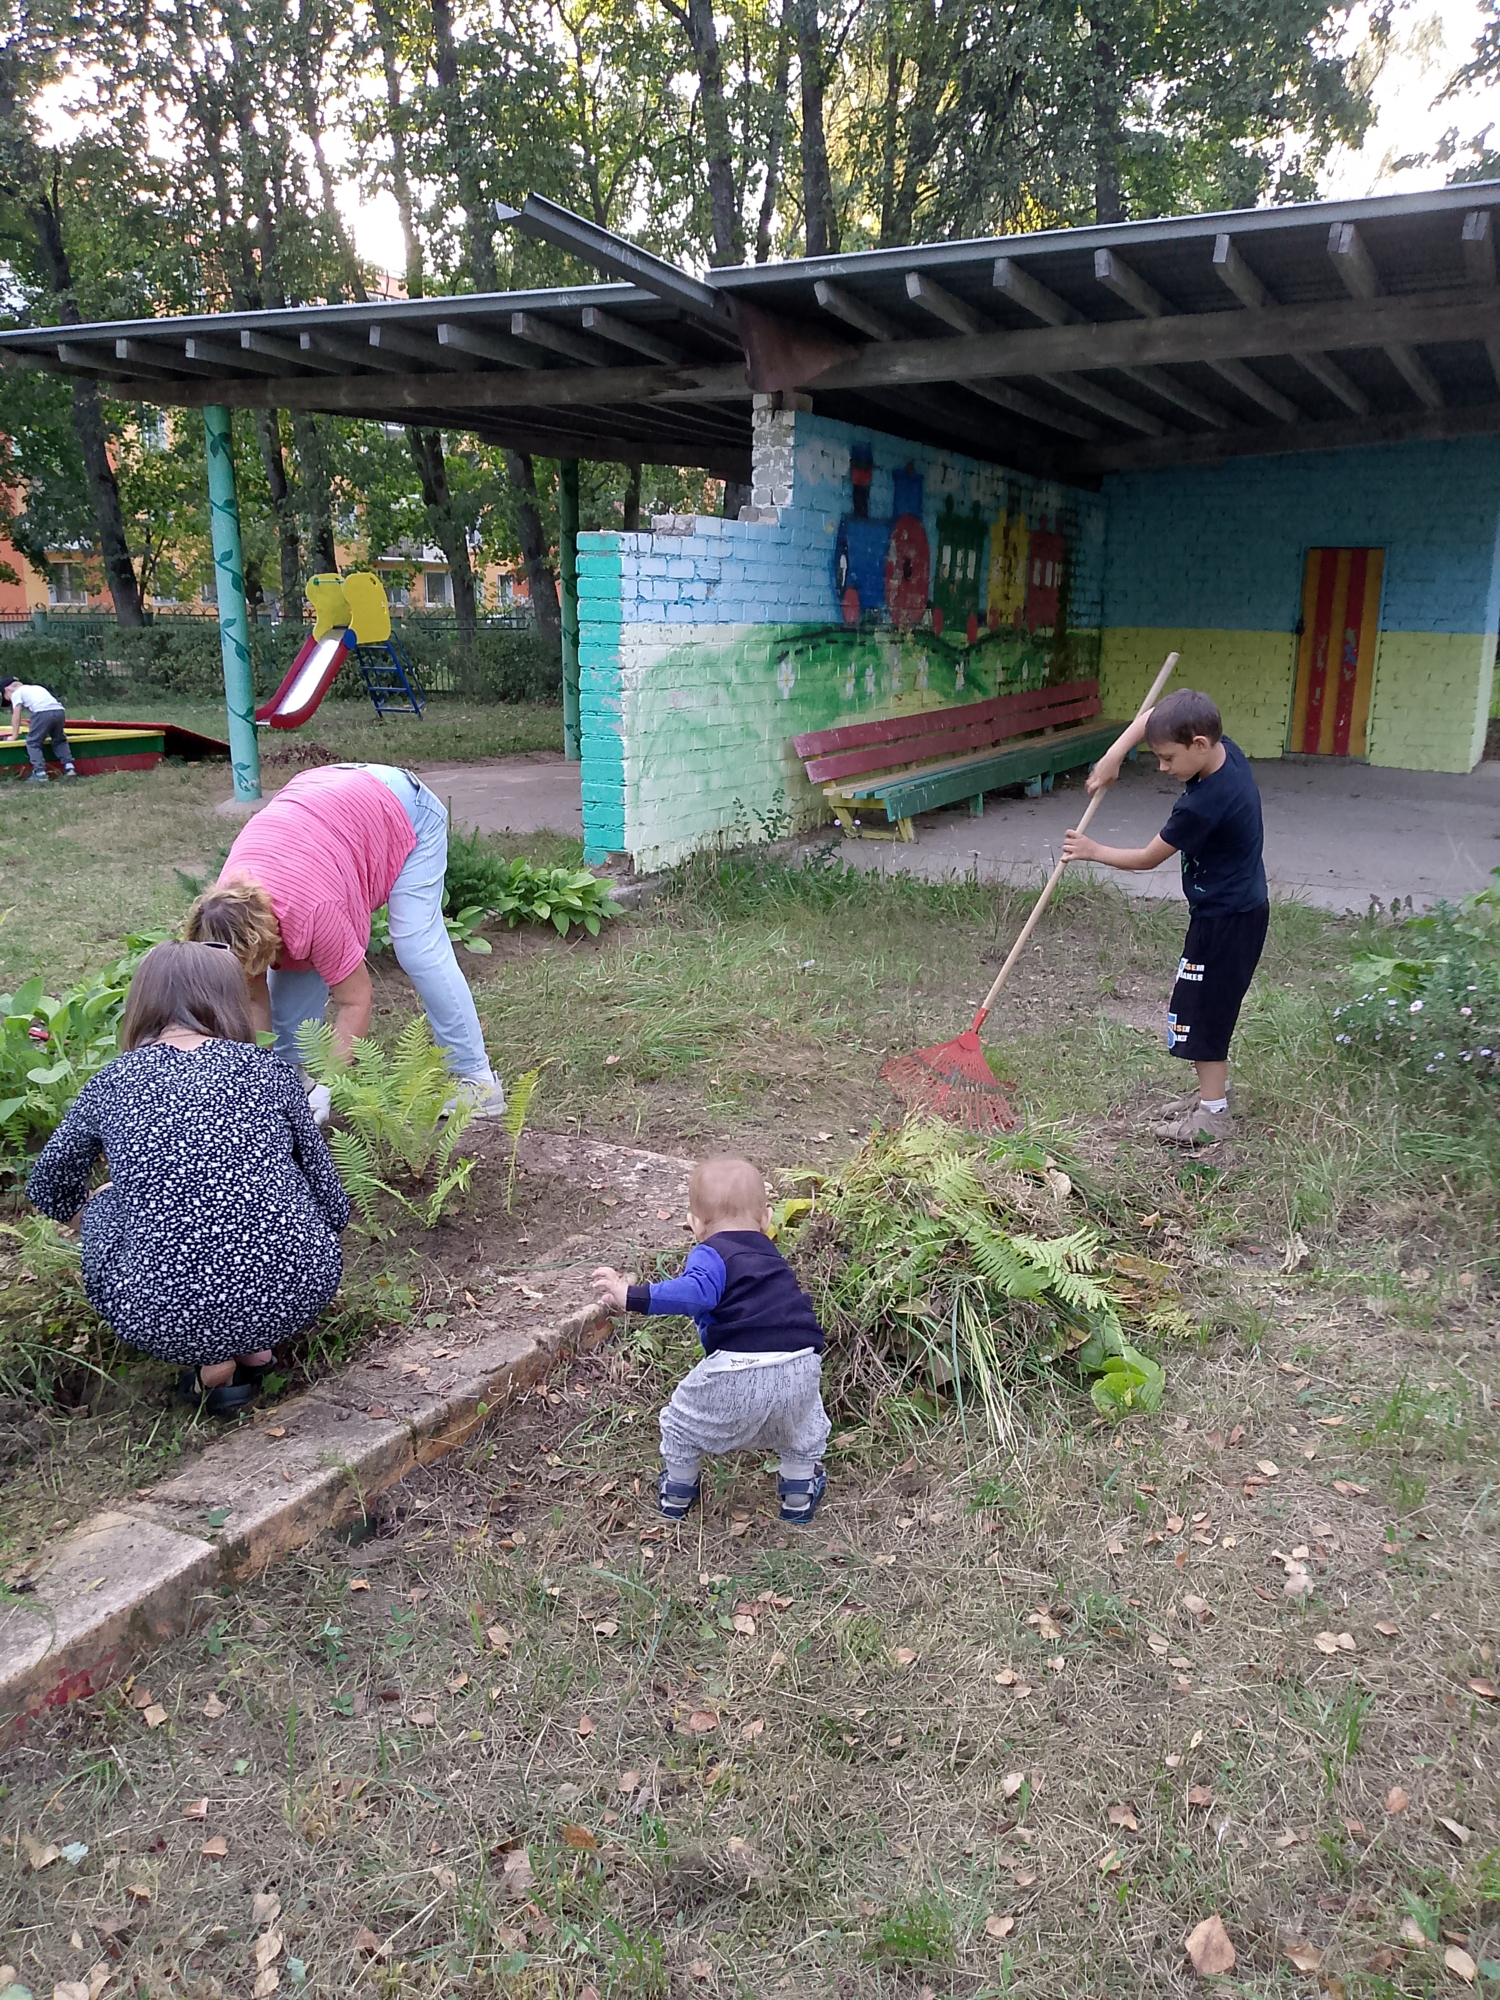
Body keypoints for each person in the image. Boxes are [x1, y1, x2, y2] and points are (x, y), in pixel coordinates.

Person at [26, 940, 350, 1415]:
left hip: (162, 1311)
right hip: (300, 1285)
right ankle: (256, 1345)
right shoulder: (271, 1071)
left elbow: (48, 1187)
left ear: (142, 1004)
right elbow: (332, 1203)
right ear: (230, 999)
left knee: (112, 1201)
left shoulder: (111, 1083)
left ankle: (213, 1361)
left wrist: (106, 1212)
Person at [184, 762, 504, 1118]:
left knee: (417, 945)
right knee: (292, 965)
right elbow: (256, 994)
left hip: (401, 806)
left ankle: (476, 1079)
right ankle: (291, 1083)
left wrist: (331, 1084)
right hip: (326, 802)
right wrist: (265, 1072)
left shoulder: (316, 910)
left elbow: (356, 1000)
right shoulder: (228, 908)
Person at [1061, 687, 1268, 1146]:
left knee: (1203, 1013)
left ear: (1198, 744)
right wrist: (1114, 755)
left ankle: (1214, 1115)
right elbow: (1156, 712)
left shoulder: (1204, 803)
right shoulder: (1223, 749)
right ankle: (1210, 1093)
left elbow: (1146, 858)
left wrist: (1091, 851)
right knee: (1200, 1005)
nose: (1162, 767)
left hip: (1226, 921)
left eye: (1167, 758)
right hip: (1232, 912)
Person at [591, 1155, 830, 1524]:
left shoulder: (711, 1253)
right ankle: (798, 1495)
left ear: (695, 1224)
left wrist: (631, 1295)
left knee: (680, 1423)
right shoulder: (772, 1255)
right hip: (801, 1363)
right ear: (766, 1219)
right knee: (804, 1425)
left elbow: (695, 1293)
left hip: (737, 1366)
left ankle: (678, 1491)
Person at [4, 675, 76, 784]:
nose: (10, 701)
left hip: (42, 712)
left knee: (33, 742)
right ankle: (69, 767)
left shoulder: (16, 693)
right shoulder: (36, 688)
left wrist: (14, 736)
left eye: (7, 698)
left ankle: (40, 773)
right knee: (59, 739)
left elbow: (16, 715)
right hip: (59, 711)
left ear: (7, 690)